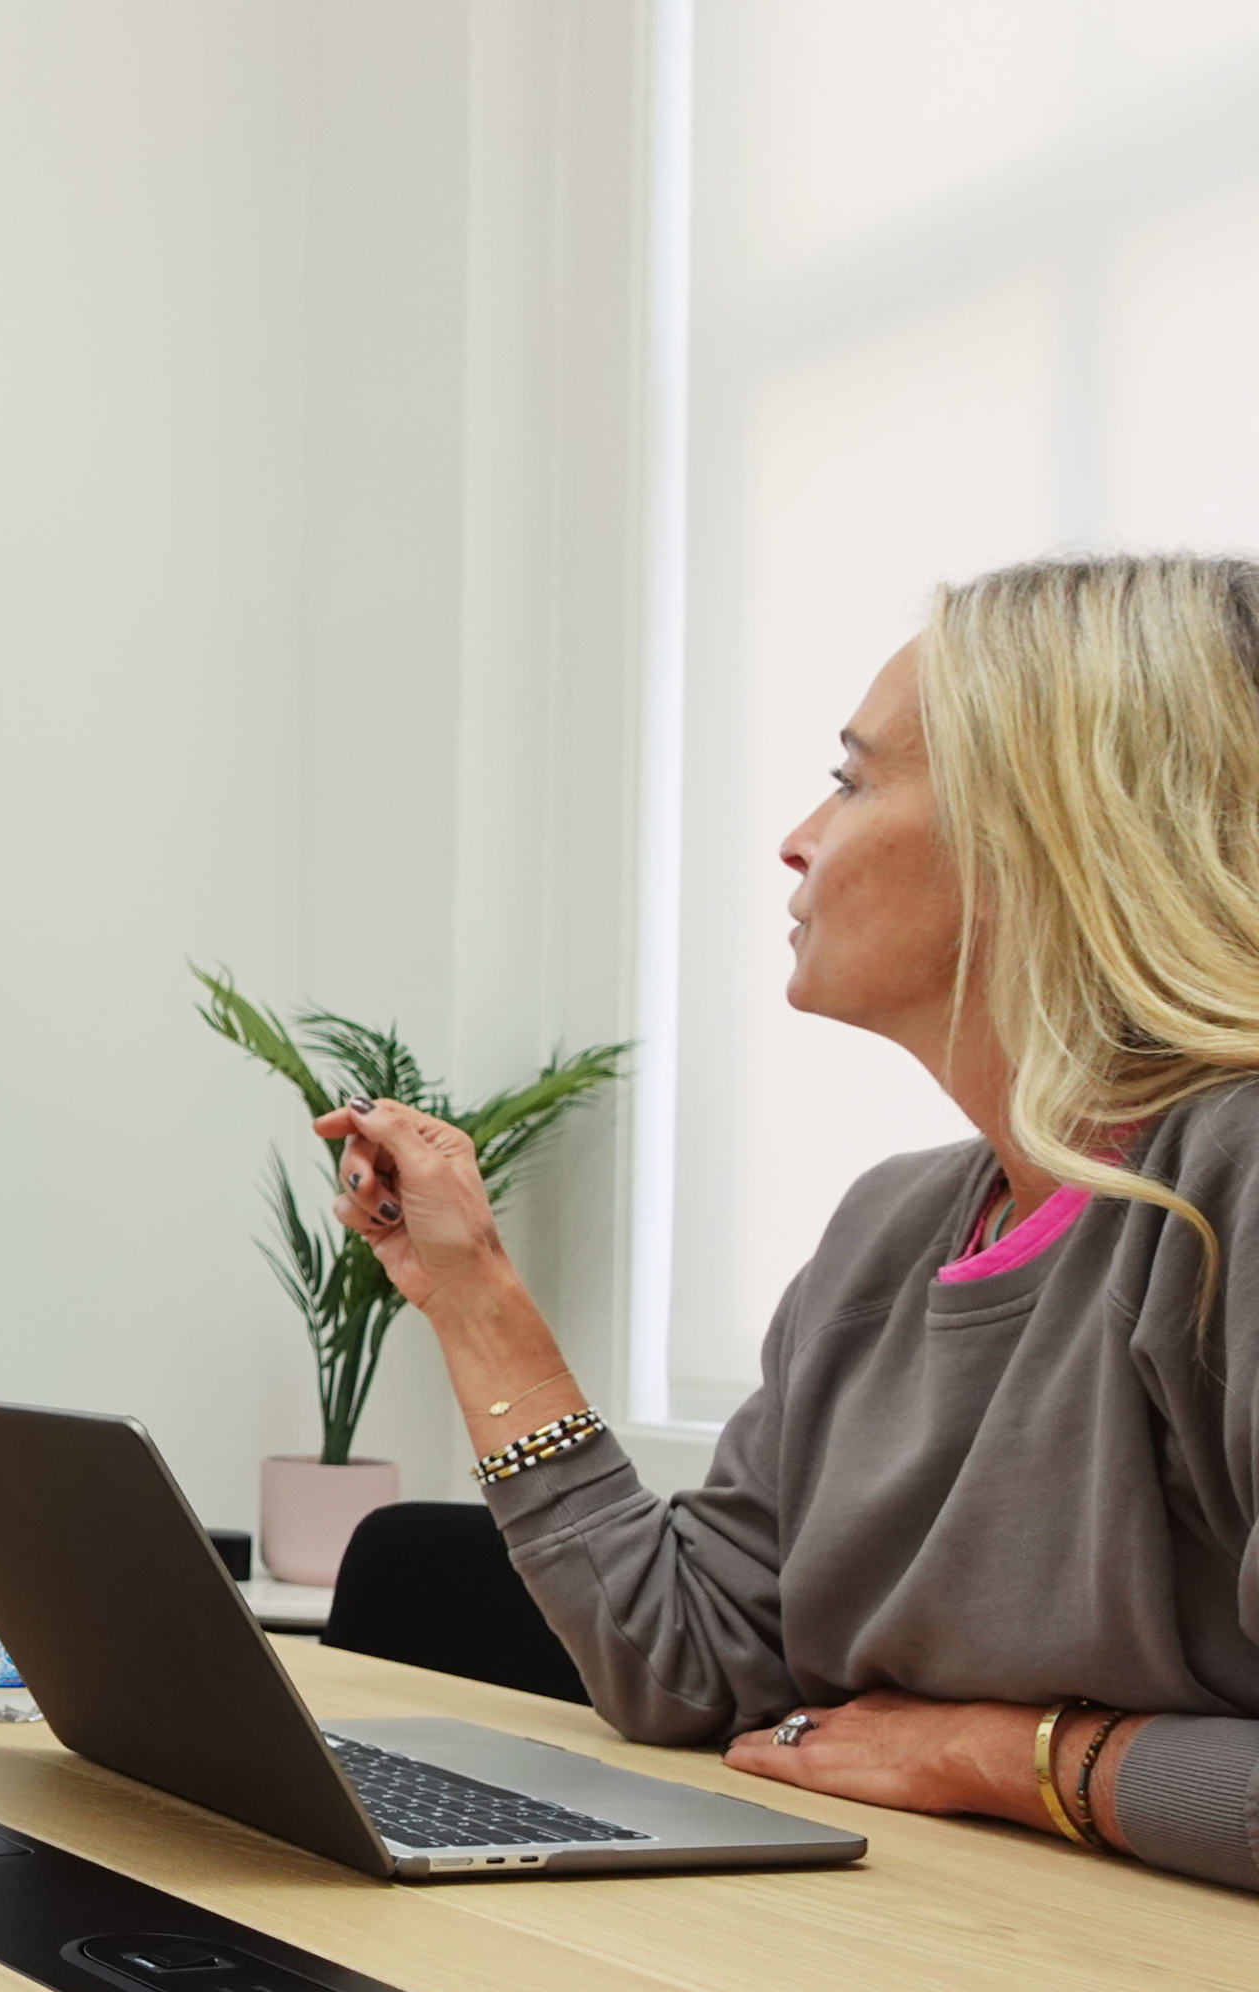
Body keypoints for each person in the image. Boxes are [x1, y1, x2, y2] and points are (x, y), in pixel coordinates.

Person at [325, 554, 1259, 1894]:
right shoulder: (893, 1229)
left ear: (1044, 833)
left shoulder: (1233, 1180)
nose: (797, 839)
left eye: (855, 780)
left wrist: (1008, 1756)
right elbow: (690, 1665)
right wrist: (469, 1290)